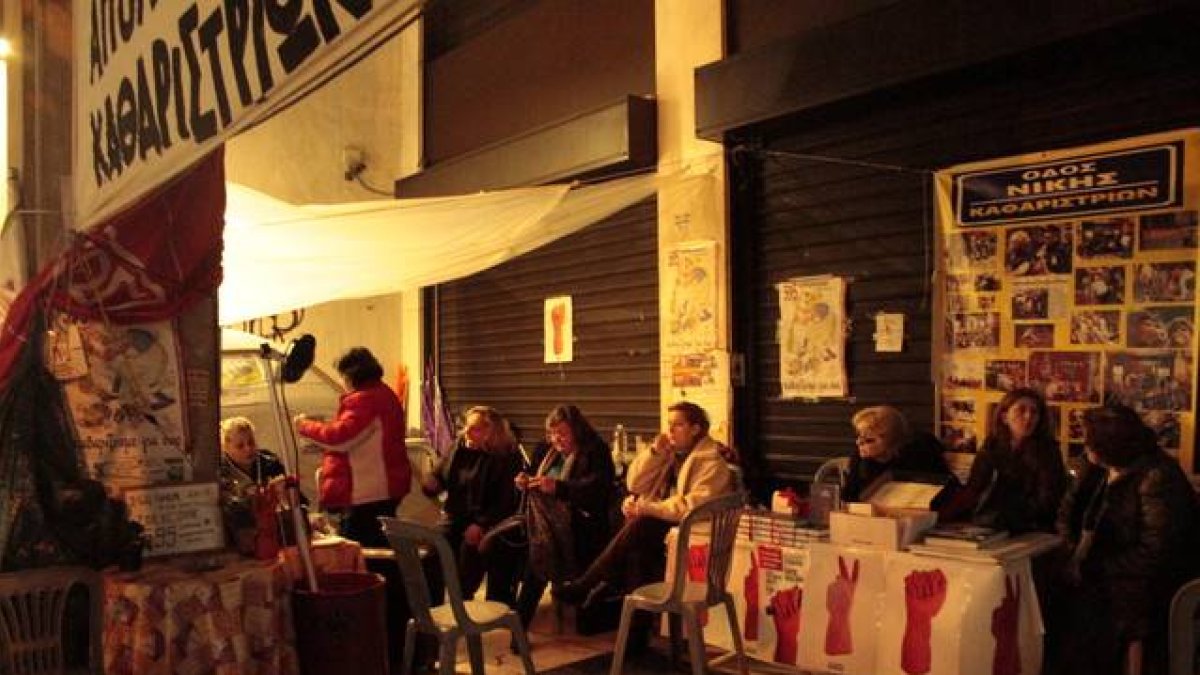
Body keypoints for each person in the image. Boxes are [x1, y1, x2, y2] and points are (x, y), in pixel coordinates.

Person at [1053, 404, 1199, 675]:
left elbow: (1156, 551)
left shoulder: (1155, 476)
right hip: (1095, 568)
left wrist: (1094, 568)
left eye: (1090, 438)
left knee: (1122, 614)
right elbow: (1066, 512)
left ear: (1109, 442)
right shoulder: (1092, 466)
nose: (1085, 445)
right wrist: (1071, 552)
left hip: (1141, 582)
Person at [554, 401, 734, 613]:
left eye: (678, 425)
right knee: (635, 546)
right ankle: (628, 627)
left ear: (695, 429)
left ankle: (590, 585)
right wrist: (654, 453)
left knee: (641, 527)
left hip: (691, 532)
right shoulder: (670, 454)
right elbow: (634, 483)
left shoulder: (712, 462)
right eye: (669, 425)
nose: (670, 432)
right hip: (665, 527)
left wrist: (648, 508)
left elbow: (690, 506)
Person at [294, 347, 411, 548]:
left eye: (341, 376)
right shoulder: (383, 393)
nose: (341, 381)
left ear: (349, 375)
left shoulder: (364, 400)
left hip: (367, 494)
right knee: (382, 552)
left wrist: (304, 426)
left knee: (362, 555)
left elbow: (339, 439)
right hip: (382, 490)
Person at [513, 405, 616, 628]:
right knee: (507, 547)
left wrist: (560, 488)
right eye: (552, 433)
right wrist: (524, 480)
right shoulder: (544, 450)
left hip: (580, 523)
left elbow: (597, 491)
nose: (556, 438)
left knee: (540, 553)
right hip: (541, 521)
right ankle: (503, 609)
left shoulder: (595, 451)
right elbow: (532, 474)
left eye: (562, 433)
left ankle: (519, 623)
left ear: (577, 431)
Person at [421, 405, 524, 605]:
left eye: (475, 428)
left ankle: (463, 603)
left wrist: (481, 524)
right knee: (431, 550)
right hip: (456, 515)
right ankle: (432, 607)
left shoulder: (506, 456)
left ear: (491, 433)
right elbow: (439, 474)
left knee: (469, 555)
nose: (466, 432)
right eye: (467, 426)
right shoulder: (459, 446)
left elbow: (505, 501)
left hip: (488, 518)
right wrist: (431, 483)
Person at [953, 388, 1068, 533]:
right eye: (1021, 410)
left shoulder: (1048, 451)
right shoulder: (992, 445)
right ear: (1004, 417)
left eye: (1034, 412)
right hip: (990, 523)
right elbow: (975, 486)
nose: (1028, 417)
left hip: (1032, 526)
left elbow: (1049, 500)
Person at [844, 406, 952, 504]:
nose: (858, 443)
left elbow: (939, 490)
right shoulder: (860, 458)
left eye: (869, 439)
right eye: (859, 436)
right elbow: (849, 496)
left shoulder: (919, 454)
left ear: (891, 440)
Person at [218, 416, 292, 554]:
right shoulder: (220, 472)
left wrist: (285, 492)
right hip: (241, 533)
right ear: (226, 448)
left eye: (251, 442)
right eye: (240, 446)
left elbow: (297, 498)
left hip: (276, 528)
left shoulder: (271, 464)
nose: (248, 449)